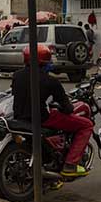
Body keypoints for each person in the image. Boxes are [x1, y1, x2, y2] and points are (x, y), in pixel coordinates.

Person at [11, 46, 93, 175]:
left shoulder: (17, 76)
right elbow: (67, 108)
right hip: (41, 118)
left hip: (19, 117)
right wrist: (66, 107)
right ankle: (70, 164)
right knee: (86, 125)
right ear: (45, 62)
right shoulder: (51, 81)